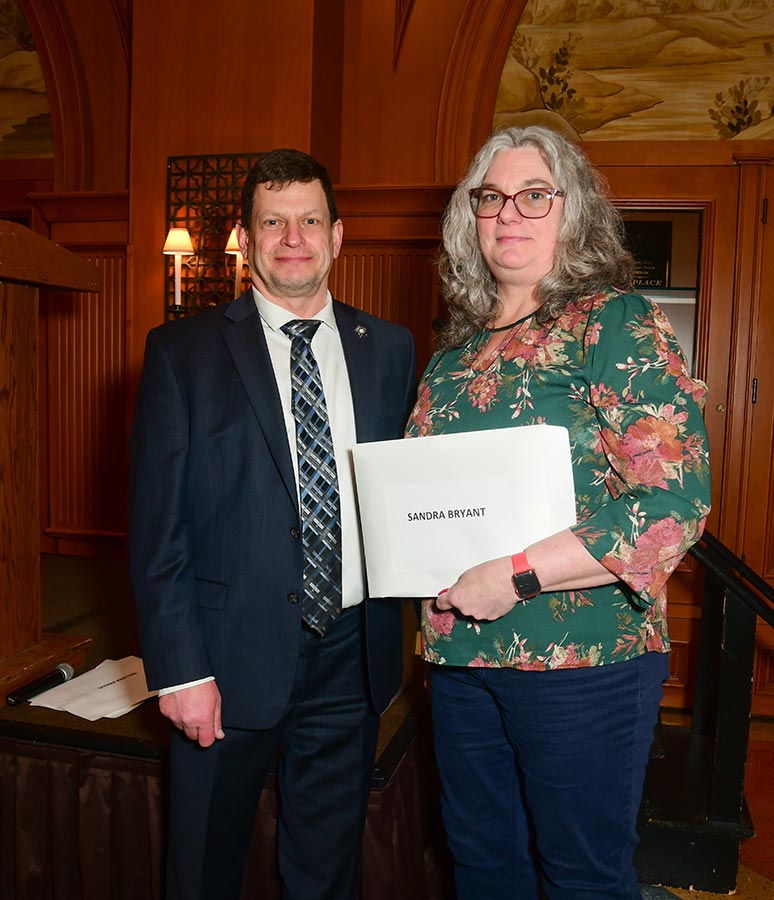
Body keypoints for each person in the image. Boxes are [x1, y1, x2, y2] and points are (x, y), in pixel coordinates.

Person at [405, 125, 711, 899]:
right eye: (492, 197)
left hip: (583, 661)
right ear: (470, 216)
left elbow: (674, 502)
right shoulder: (452, 353)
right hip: (461, 657)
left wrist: (515, 574)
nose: (509, 212)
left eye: (534, 194)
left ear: (573, 211)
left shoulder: (611, 321)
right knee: (483, 869)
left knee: (581, 880)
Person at [129, 148, 416, 900]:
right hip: (224, 662)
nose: (294, 238)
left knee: (327, 874)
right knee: (203, 869)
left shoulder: (389, 349)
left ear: (338, 235)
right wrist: (181, 671)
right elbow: (157, 531)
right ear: (246, 238)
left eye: (310, 221)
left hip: (351, 657)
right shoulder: (181, 353)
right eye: (273, 222)